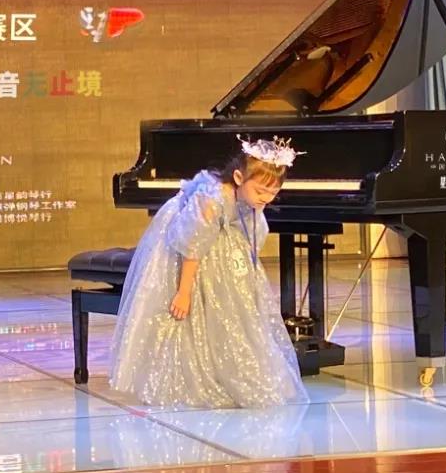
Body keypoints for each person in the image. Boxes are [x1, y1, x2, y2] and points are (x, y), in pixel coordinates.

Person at [108, 136, 310, 408]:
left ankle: (228, 367)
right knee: (192, 310)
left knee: (235, 306)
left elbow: (251, 235)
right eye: (261, 191)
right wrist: (184, 291)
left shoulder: (251, 200)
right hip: (190, 245)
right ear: (238, 178)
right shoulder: (212, 200)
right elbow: (193, 246)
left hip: (220, 242)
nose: (266, 198)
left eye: (272, 193)